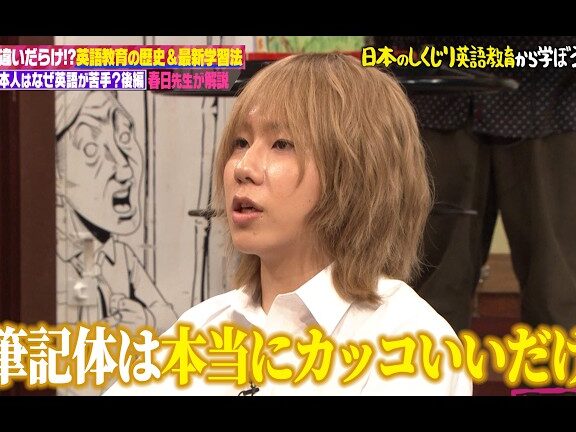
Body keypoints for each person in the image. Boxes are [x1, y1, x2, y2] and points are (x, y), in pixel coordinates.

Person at [105, 53, 472, 395]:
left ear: (356, 172)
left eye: (281, 144)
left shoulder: (412, 341)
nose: (243, 168)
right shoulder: (202, 327)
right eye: (240, 142)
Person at [373, 36, 576, 334]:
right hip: (437, 93)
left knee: (557, 288)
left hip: (548, 95)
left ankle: (560, 369)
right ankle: (425, 365)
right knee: (429, 285)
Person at [56, 91, 177, 335]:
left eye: (123, 136)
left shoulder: (121, 257)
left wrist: (146, 320)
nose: (124, 170)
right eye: (91, 149)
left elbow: (173, 321)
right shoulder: (47, 260)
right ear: (56, 175)